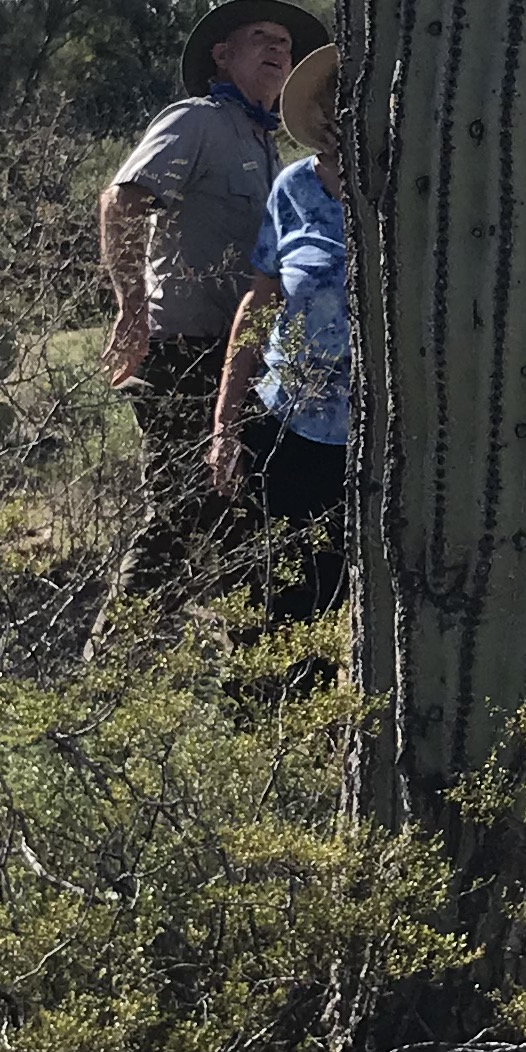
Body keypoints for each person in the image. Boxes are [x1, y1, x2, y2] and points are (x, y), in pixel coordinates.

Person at [94, 0, 322, 628]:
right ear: (222, 56)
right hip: (183, 355)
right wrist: (131, 307)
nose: (279, 50)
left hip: (237, 362)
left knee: (236, 514)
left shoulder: (264, 141)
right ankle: (111, 666)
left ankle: (230, 673)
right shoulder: (195, 120)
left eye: (285, 43)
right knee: (180, 515)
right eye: (261, 39)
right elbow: (122, 201)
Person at [210, 44, 350, 629]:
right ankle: (264, 719)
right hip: (291, 429)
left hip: (391, 443)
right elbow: (261, 299)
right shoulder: (294, 189)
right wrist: (226, 423)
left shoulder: (426, 195)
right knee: (279, 605)